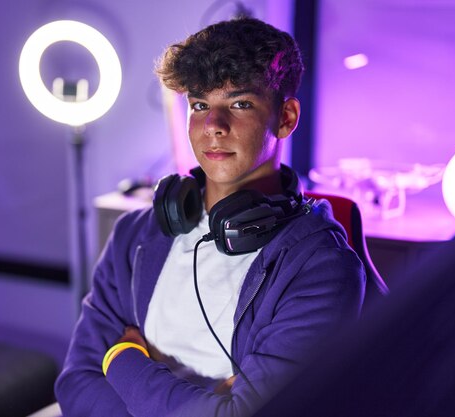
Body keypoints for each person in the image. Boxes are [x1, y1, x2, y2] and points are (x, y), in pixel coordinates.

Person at [55, 17, 365, 417]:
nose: (213, 127)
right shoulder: (135, 234)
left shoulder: (322, 267)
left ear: (286, 117)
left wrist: (121, 357)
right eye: (200, 105)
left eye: (239, 104)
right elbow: (77, 383)